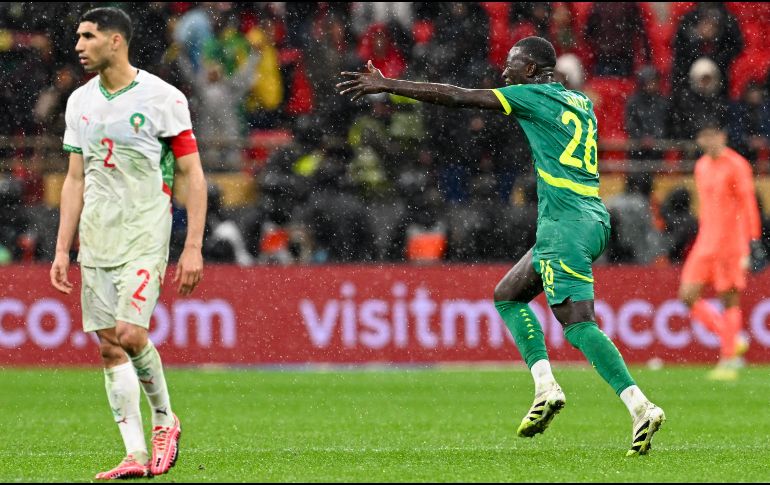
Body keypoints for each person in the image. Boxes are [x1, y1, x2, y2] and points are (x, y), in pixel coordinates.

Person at [337, 36, 664, 456]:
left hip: (564, 223)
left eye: (513, 62)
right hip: (590, 217)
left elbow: (457, 97)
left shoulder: (529, 94)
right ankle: (545, 386)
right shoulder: (580, 101)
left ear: (531, 71)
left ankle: (640, 406)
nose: (505, 68)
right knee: (508, 295)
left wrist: (390, 85)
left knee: (579, 324)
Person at [49, 7, 207, 479]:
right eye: (77, 36)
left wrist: (193, 245)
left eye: (88, 36)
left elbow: (191, 173)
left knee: (132, 334)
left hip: (144, 231)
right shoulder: (79, 102)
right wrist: (62, 247)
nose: (78, 45)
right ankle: (134, 455)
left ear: (116, 41)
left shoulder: (163, 98)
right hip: (96, 237)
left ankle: (165, 421)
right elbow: (75, 178)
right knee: (109, 348)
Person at [678, 122, 761, 380]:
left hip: (731, 243)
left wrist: (753, 241)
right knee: (687, 294)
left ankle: (729, 360)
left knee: (729, 298)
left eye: (713, 135)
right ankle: (731, 339)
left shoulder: (737, 165)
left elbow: (748, 203)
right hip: (706, 242)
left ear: (723, 135)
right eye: (704, 136)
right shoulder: (701, 166)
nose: (708, 141)